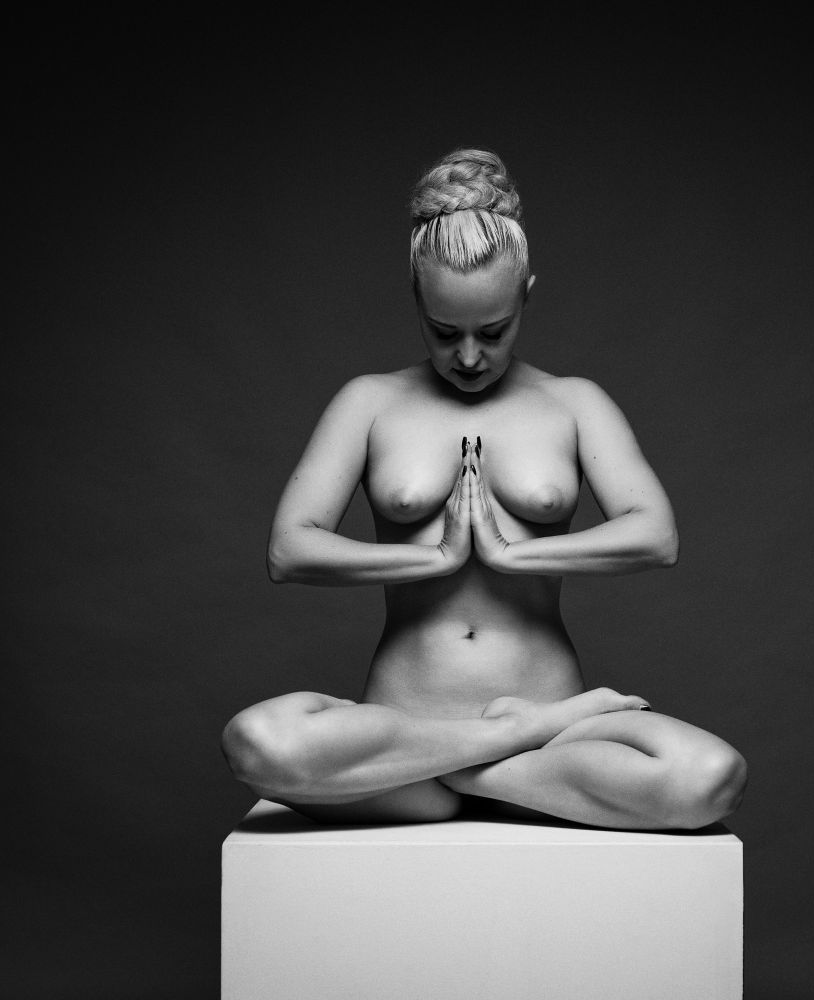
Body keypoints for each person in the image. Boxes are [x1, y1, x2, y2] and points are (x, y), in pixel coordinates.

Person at [221, 149, 747, 830]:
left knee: (708, 778)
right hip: (402, 730)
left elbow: (656, 535)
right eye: (445, 333)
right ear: (416, 296)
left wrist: (508, 554)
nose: (469, 356)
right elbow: (289, 550)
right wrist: (432, 558)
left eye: (493, 332)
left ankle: (472, 776)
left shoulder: (574, 402)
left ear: (526, 293)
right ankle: (488, 755)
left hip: (548, 738)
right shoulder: (370, 402)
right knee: (259, 742)